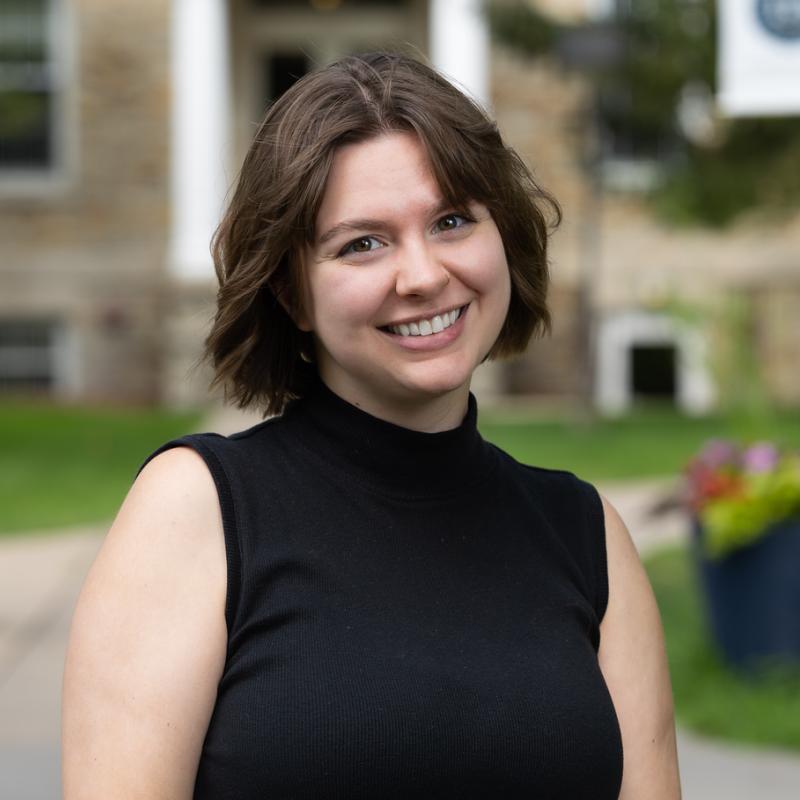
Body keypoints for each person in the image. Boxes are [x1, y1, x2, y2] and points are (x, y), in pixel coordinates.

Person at [62, 52, 681, 799]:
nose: (421, 275)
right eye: (362, 243)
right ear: (291, 293)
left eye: (452, 221)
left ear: (503, 239)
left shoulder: (586, 534)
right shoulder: (200, 512)